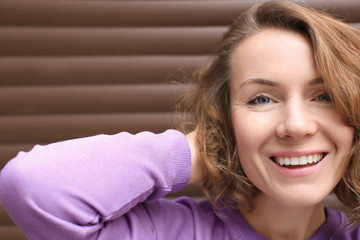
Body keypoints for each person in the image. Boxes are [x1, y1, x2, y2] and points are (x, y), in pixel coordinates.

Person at [1, 1, 360, 239]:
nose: (296, 125)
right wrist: (209, 149)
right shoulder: (167, 231)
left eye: (323, 96)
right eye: (261, 99)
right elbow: (31, 185)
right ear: (226, 120)